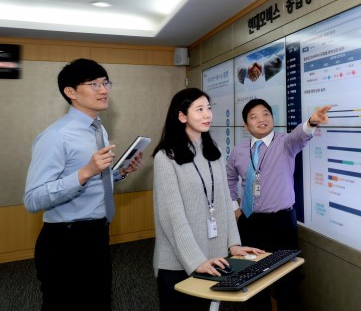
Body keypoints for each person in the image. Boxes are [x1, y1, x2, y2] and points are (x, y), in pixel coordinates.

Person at [24, 58, 144, 311]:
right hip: (66, 242)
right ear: (71, 92)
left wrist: (117, 173)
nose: (104, 90)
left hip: (97, 233)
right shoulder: (56, 136)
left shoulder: (97, 129)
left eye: (105, 83)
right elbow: (33, 199)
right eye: (94, 84)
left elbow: (92, 179)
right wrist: (86, 172)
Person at [153, 87, 264, 311]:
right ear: (182, 116)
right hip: (177, 263)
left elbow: (223, 203)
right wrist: (196, 261)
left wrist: (233, 244)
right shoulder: (165, 157)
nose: (207, 115)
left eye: (209, 108)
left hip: (214, 258)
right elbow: (173, 217)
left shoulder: (215, 153)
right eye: (199, 109)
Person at [227, 99, 332, 311]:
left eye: (266, 114)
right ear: (246, 126)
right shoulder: (238, 150)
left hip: (281, 223)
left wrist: (311, 122)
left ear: (272, 118)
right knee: (252, 279)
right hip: (249, 222)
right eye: (254, 117)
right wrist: (235, 209)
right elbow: (228, 178)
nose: (261, 119)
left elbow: (299, 135)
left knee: (287, 280)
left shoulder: (285, 143)